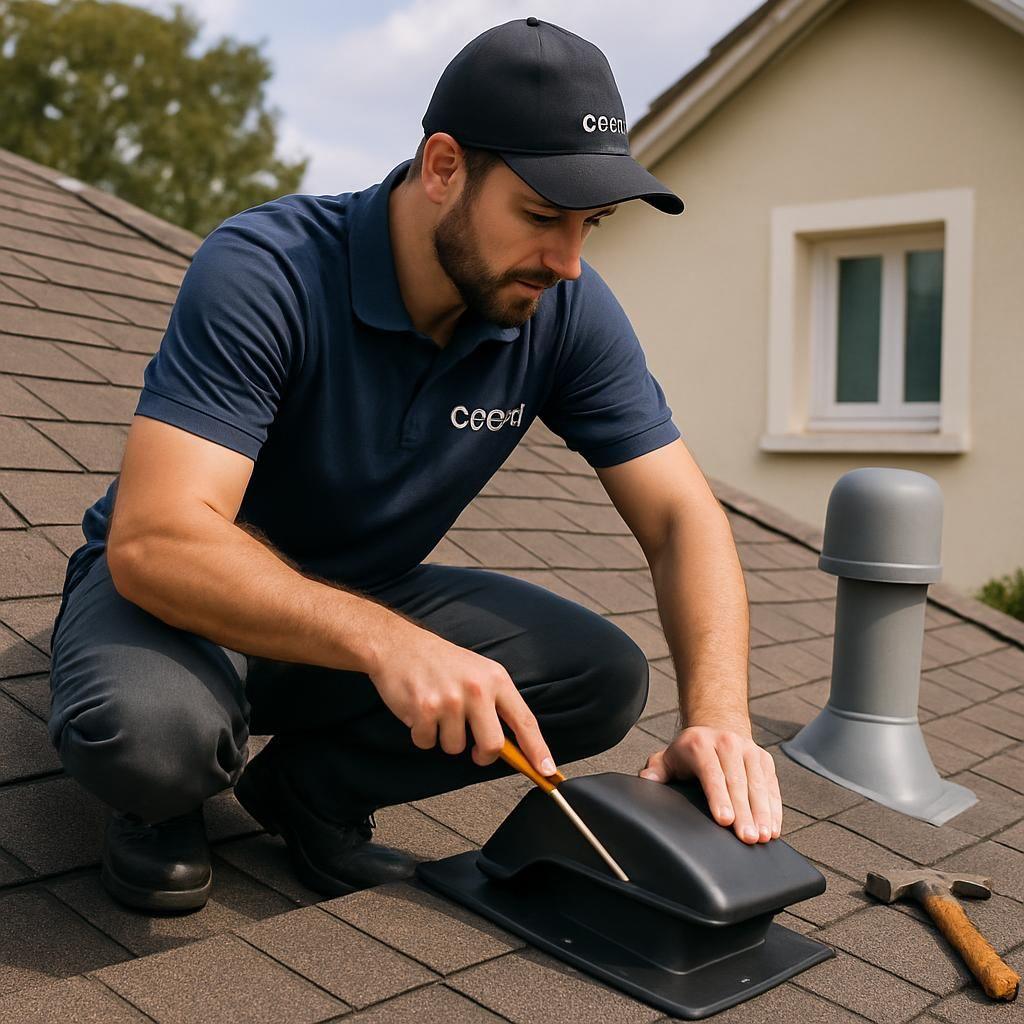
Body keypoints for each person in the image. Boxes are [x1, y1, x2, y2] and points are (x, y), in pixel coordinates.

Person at [47, 17, 782, 915]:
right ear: (443, 168)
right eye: (543, 217)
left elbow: (681, 518)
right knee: (154, 741)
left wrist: (720, 720)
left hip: (359, 600)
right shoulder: (267, 271)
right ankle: (165, 798)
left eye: (591, 223)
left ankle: (307, 793)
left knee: (601, 674)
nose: (568, 260)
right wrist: (389, 643)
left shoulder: (564, 309)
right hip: (180, 605)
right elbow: (158, 542)